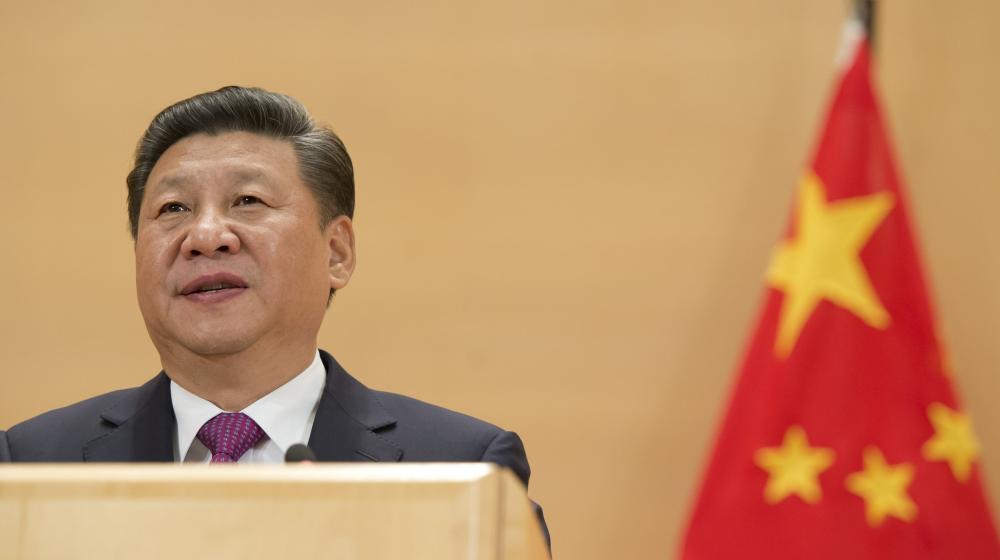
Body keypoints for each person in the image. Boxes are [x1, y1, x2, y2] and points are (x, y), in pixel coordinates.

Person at [0, 86, 548, 544]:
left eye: (248, 202)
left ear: (336, 252)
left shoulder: (461, 471)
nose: (206, 236)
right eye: (173, 209)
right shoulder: (29, 468)